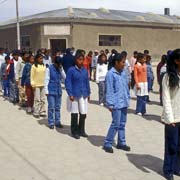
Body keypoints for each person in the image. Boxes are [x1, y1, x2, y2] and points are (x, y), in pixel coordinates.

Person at [103, 53, 130, 153]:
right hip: (116, 103)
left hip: (124, 102)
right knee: (116, 124)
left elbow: (126, 87)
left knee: (122, 124)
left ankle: (121, 143)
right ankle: (107, 143)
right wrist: (110, 104)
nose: (124, 64)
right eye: (123, 62)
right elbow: (109, 90)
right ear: (116, 62)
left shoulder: (123, 72)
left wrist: (128, 97)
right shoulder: (110, 74)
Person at [162, 49, 180, 180]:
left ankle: (177, 168)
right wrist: (169, 119)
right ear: (177, 61)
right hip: (172, 118)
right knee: (171, 145)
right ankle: (168, 169)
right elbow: (166, 99)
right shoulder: (168, 77)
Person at [65, 52, 90, 139]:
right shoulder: (71, 70)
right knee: (74, 113)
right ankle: (74, 131)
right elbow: (68, 82)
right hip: (74, 94)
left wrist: (88, 93)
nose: (81, 61)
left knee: (83, 113)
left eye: (82, 59)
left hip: (83, 94)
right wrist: (70, 93)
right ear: (75, 60)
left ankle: (81, 130)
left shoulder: (85, 70)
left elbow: (87, 82)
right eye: (79, 59)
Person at [44, 56, 66, 129]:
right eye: (58, 64)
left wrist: (61, 69)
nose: (59, 65)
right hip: (51, 90)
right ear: (55, 63)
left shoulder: (60, 68)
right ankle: (51, 122)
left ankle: (57, 121)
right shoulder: (49, 68)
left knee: (57, 107)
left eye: (60, 64)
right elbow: (46, 79)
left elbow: (64, 77)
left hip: (58, 90)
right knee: (51, 107)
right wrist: (46, 90)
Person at [31, 54, 46, 118]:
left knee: (43, 98)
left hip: (43, 84)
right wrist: (32, 84)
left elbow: (46, 75)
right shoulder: (34, 66)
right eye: (40, 58)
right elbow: (32, 76)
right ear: (37, 59)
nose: (41, 59)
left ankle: (42, 111)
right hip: (36, 85)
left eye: (42, 58)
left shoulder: (44, 65)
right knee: (37, 99)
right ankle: (36, 111)